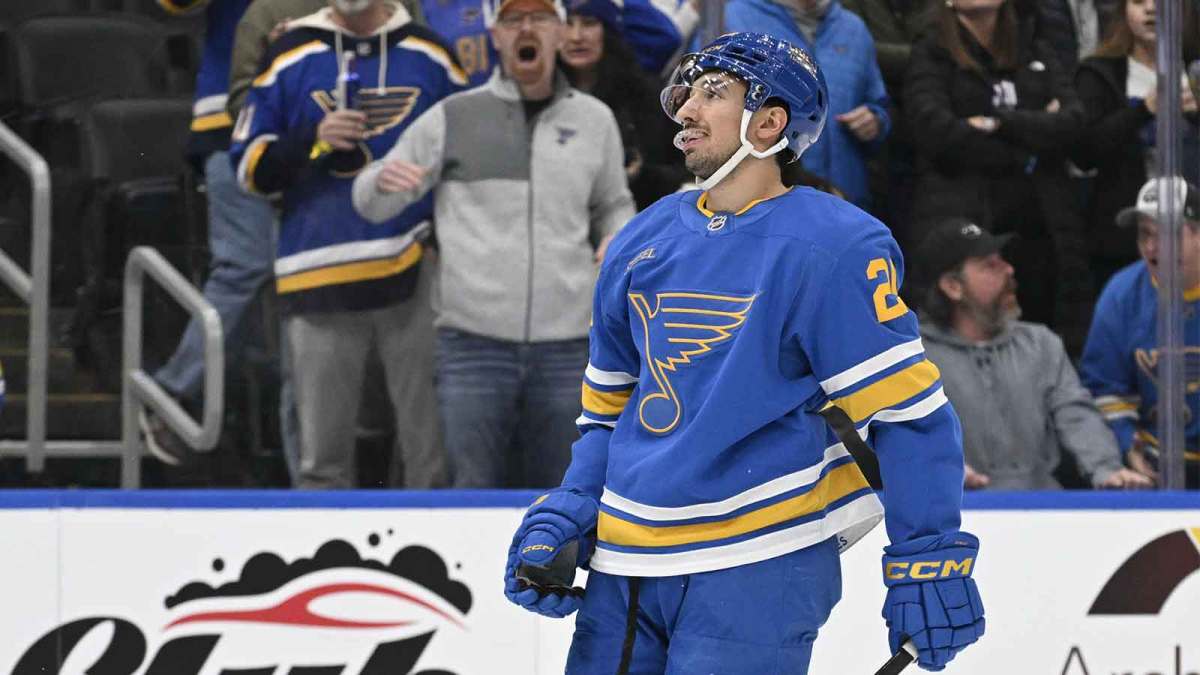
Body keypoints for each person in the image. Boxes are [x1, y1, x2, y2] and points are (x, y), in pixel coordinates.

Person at [500, 32, 984, 674]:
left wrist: (929, 560)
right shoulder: (639, 241)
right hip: (627, 562)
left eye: (714, 93)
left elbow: (906, 417)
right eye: (689, 93)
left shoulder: (836, 245)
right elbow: (609, 414)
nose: (687, 110)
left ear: (770, 122)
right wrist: (574, 507)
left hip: (759, 553)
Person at [352, 0, 636, 489]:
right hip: (471, 347)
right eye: (512, 20)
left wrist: (618, 236)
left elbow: (613, 203)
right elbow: (369, 201)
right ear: (495, 36)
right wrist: (382, 182)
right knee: (471, 490)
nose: (527, 28)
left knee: (565, 492)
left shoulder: (595, 120)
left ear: (560, 33)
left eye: (541, 18)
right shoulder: (452, 117)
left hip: (568, 347)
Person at [231, 0, 466, 488]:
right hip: (318, 272)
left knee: (430, 458)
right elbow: (247, 166)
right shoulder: (288, 53)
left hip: (414, 268)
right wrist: (313, 140)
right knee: (322, 463)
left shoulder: (432, 56)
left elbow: (463, 162)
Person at [905, 0, 1092, 353]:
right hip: (968, 221)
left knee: (1041, 342)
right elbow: (936, 132)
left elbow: (1073, 121)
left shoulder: (1035, 46)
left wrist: (1001, 122)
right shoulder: (931, 51)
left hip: (1040, 227)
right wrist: (1032, 136)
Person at [139, 0, 277, 475]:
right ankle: (173, 393)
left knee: (310, 291)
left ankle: (312, 463)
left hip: (321, 123)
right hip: (233, 120)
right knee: (246, 263)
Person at [916, 218, 1153, 490]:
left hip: (1041, 510)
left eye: (1003, 260)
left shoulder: (1041, 343)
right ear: (952, 287)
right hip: (957, 512)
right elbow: (900, 432)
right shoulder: (915, 358)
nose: (1009, 270)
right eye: (990, 266)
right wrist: (937, 467)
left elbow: (1076, 414)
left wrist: (1107, 469)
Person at [1072, 0, 1200, 292]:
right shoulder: (1098, 72)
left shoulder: (1195, 69)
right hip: (1123, 238)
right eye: (1139, 1)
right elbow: (1083, 153)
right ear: (1122, 11)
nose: (1152, 9)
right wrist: (1143, 110)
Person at [1080, 177, 1200, 488]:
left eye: (1166, 235)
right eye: (1145, 234)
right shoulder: (1122, 294)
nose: (1151, 247)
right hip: (1155, 461)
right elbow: (1105, 388)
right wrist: (1128, 446)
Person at [722, 0, 891, 210]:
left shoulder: (854, 28)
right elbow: (706, 100)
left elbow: (878, 102)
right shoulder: (732, 18)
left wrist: (875, 120)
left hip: (845, 203)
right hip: (764, 205)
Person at [558, 0, 690, 209]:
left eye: (589, 23)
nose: (576, 36)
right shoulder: (538, 96)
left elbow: (685, 168)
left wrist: (641, 174)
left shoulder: (644, 97)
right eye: (567, 23)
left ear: (609, 31)